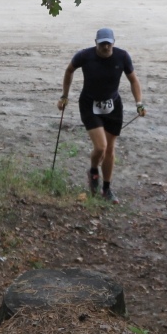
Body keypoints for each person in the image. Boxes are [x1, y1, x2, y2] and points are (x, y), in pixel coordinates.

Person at [57, 28, 145, 203]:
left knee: (110, 150)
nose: (106, 47)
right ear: (95, 42)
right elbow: (69, 71)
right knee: (101, 148)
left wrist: (139, 103)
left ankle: (106, 189)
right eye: (102, 43)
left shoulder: (122, 57)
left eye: (109, 43)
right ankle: (93, 171)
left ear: (113, 42)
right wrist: (64, 96)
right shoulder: (84, 56)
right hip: (90, 105)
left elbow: (133, 80)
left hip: (113, 106)